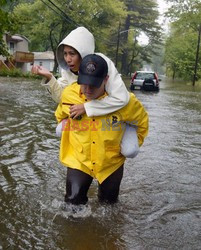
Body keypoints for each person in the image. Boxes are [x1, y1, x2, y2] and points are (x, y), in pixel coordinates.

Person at [55, 54, 149, 205]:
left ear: (106, 79)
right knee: (72, 202)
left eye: (94, 85)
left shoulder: (127, 102)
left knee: (109, 205)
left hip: (110, 162)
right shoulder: (69, 95)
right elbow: (60, 116)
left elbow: (142, 123)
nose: (87, 89)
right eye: (84, 83)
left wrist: (129, 144)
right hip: (79, 159)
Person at [31, 26, 139, 158]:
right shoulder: (67, 70)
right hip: (89, 117)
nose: (67, 59)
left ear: (83, 53)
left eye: (72, 54)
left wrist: (86, 107)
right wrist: (49, 77)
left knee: (130, 151)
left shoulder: (103, 64)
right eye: (65, 53)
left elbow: (121, 98)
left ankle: (124, 127)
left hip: (113, 114)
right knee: (60, 130)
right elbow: (63, 99)